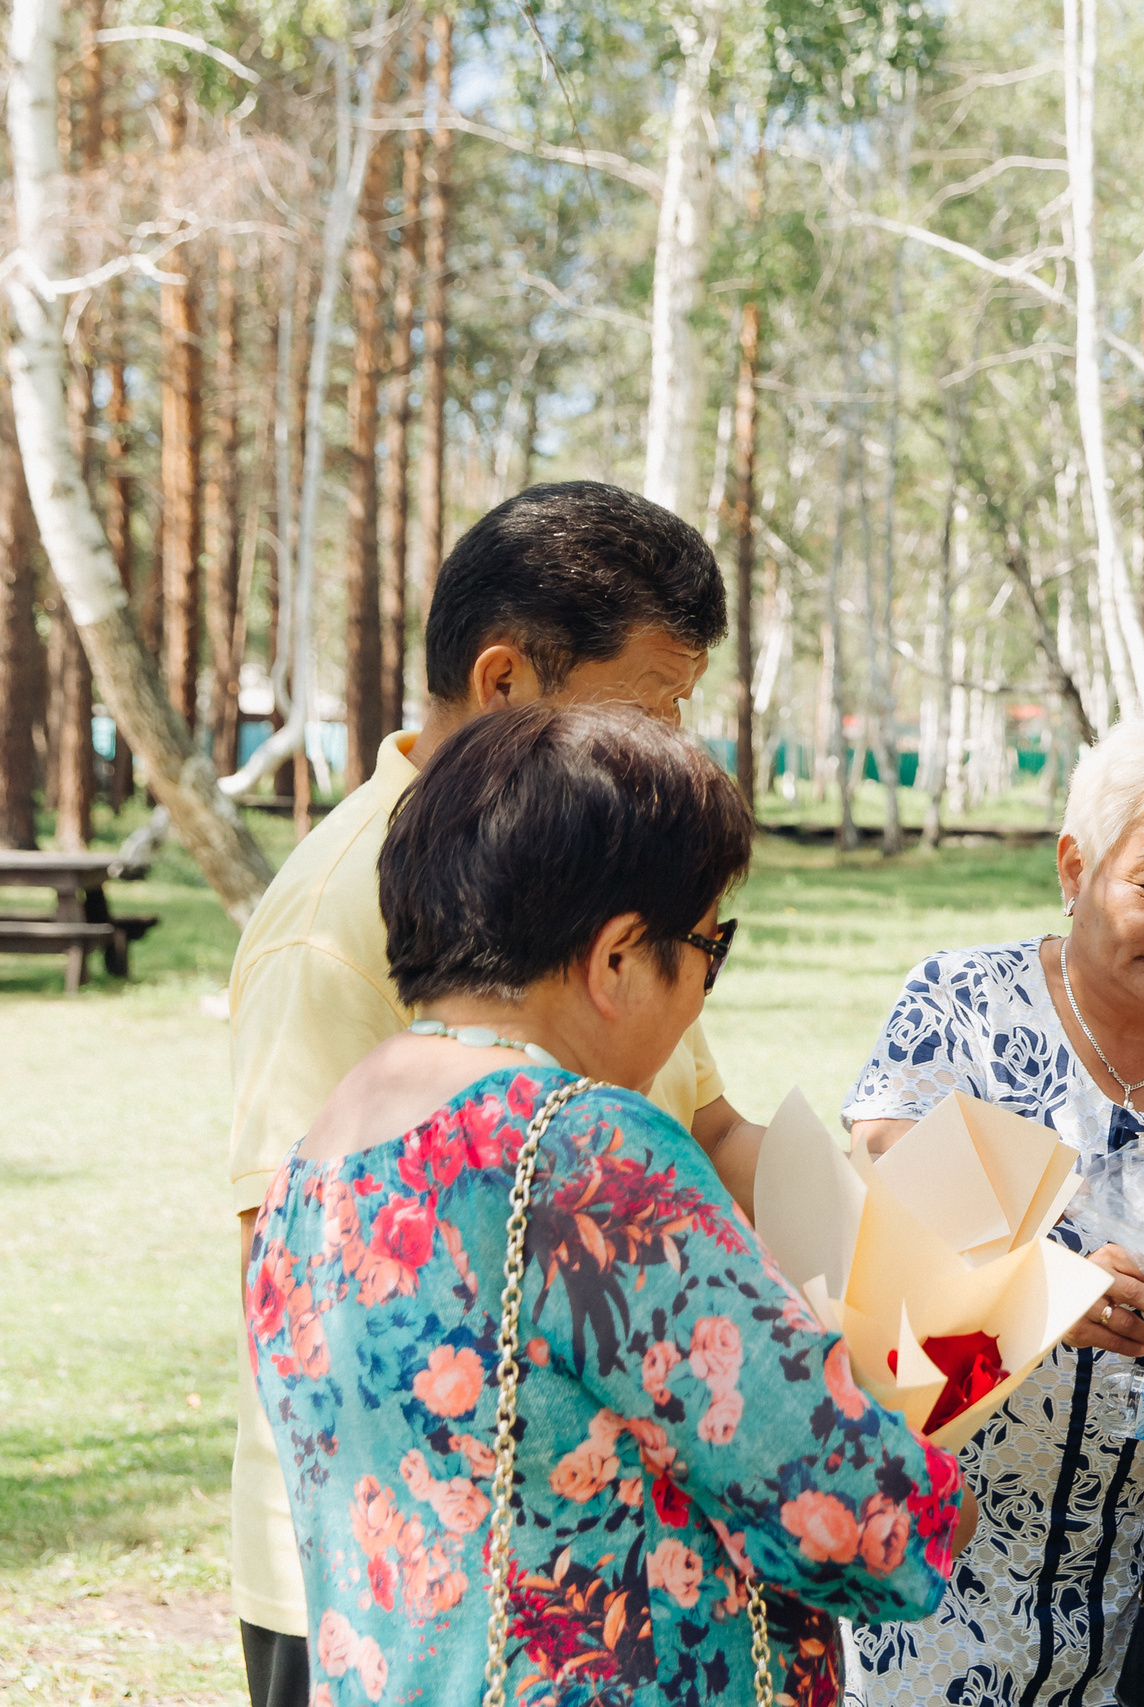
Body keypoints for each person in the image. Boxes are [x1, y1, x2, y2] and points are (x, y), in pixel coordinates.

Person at [245, 703, 968, 1704]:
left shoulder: (320, 1156)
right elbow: (840, 1499)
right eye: (710, 944)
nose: (704, 985)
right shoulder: (586, 1153)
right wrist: (938, 1485)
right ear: (619, 957)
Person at [224, 482, 766, 1707]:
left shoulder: (582, 866)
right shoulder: (337, 916)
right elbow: (294, 1265)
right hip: (392, 1581)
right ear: (507, 680)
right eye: (648, 706)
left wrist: (927, 1245)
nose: (675, 742)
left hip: (584, 1557)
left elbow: (706, 1126)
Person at [842, 709, 1144, 1706]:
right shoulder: (964, 1005)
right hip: (941, 1583)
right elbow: (883, 1225)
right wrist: (1043, 1288)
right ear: (1075, 865)